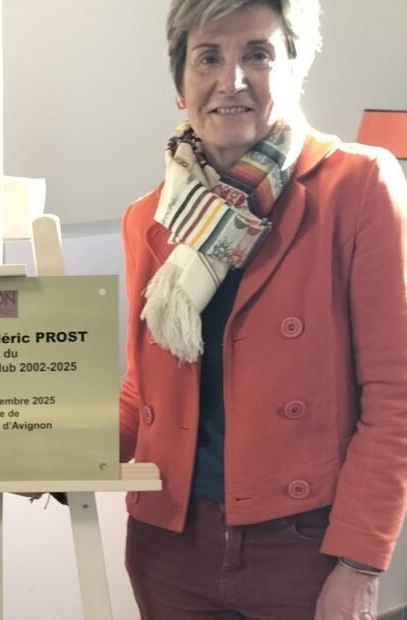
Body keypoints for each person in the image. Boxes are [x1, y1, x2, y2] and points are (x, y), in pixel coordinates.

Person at [119, 0, 407, 618]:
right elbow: (142, 393)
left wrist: (359, 562)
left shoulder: (358, 186)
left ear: (293, 70)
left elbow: (395, 395)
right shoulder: (151, 218)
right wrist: (43, 452)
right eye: (208, 58)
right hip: (169, 547)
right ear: (181, 84)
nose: (232, 80)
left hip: (305, 548)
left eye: (258, 54)